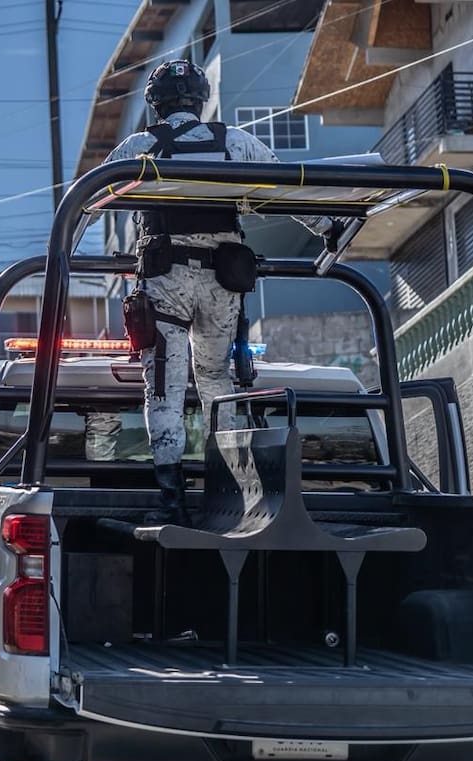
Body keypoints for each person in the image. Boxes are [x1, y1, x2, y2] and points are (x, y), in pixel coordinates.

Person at [104, 59, 344, 525]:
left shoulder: (139, 146)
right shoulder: (236, 141)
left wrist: (63, 254)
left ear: (155, 106)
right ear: (200, 100)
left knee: (165, 392)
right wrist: (328, 229)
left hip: (166, 278)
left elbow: (90, 199)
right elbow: (288, 188)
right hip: (222, 282)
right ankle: (231, 489)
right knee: (218, 383)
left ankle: (172, 503)